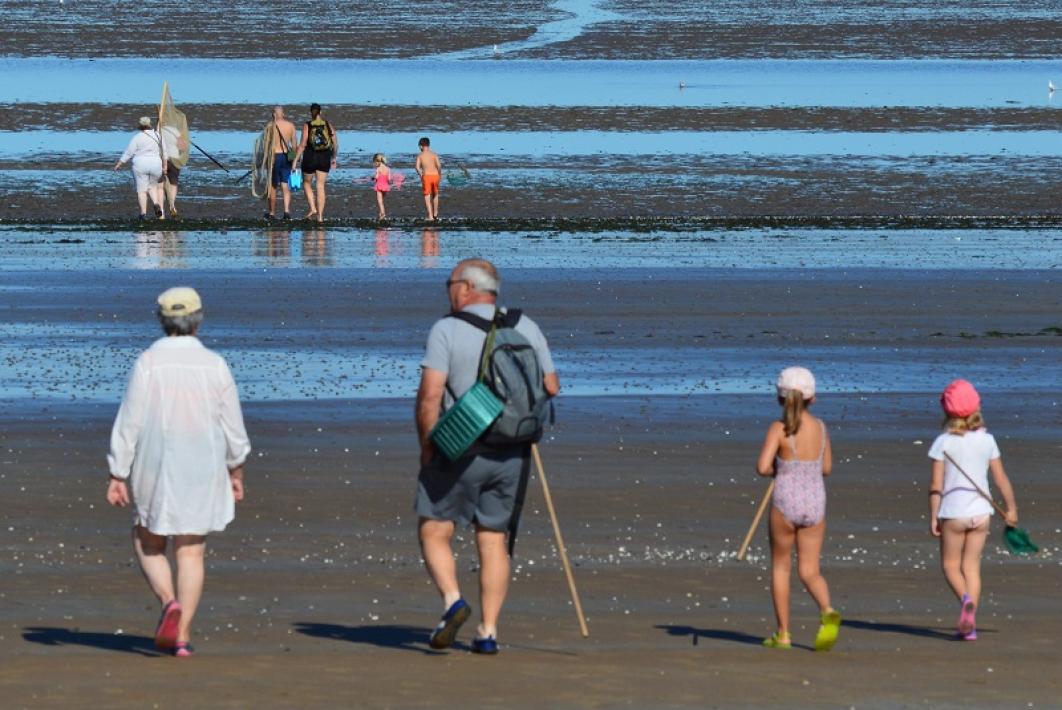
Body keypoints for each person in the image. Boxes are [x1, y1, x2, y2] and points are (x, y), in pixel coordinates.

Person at [414, 259, 559, 654]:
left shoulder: (447, 329)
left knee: (435, 529)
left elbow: (430, 395)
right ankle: (488, 632)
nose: (448, 291)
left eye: (449, 284)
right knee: (494, 540)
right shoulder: (524, 324)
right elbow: (551, 385)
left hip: (460, 444)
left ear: (465, 288)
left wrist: (428, 444)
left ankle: (452, 601)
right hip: (514, 448)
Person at [106, 287, 251, 658]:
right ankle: (182, 635)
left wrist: (117, 472)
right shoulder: (215, 365)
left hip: (155, 464)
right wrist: (236, 468)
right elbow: (232, 426)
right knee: (191, 550)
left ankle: (169, 603)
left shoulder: (149, 362)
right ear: (198, 319)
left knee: (148, 541)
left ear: (162, 319)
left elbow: (130, 422)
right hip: (203, 466)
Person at [756, 366, 841, 651]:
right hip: (815, 501)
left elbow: (763, 466)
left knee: (781, 567)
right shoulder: (821, 428)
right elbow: (826, 467)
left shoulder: (778, 429)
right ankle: (827, 609)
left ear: (780, 399)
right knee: (810, 570)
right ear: (812, 398)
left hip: (785, 501)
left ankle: (783, 635)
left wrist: (778, 467)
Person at [928, 379, 1018, 641]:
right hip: (981, 512)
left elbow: (936, 485)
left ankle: (965, 601)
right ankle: (970, 623)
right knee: (972, 567)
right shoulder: (987, 440)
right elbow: (1000, 478)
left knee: (950, 565)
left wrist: (934, 515)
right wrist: (1011, 508)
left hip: (953, 511)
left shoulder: (943, 442)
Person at [114, 116, 166, 220]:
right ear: (149, 124)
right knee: (152, 187)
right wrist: (165, 166)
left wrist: (119, 164)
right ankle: (156, 203)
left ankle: (143, 214)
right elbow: (165, 152)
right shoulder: (158, 135)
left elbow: (129, 152)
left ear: (140, 125)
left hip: (140, 164)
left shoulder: (137, 137)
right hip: (156, 164)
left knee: (142, 190)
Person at [294, 103, 337, 223]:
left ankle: (313, 208)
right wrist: (334, 158)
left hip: (310, 157)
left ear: (310, 112)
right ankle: (320, 217)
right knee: (320, 186)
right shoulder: (327, 124)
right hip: (324, 157)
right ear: (320, 112)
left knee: (307, 183)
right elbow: (335, 143)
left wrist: (295, 161)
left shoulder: (307, 125)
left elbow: (302, 144)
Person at [267, 106, 297, 220]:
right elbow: (294, 145)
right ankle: (286, 211)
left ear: (273, 115)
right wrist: (293, 160)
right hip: (286, 156)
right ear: (283, 114)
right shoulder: (291, 126)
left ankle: (272, 213)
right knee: (285, 185)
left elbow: (266, 145)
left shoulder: (270, 126)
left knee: (273, 186)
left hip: (275, 156)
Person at [160, 123, 185, 219]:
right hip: (174, 159)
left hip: (161, 159)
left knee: (161, 185)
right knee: (173, 183)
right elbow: (182, 146)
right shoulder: (174, 130)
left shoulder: (157, 131)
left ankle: (163, 210)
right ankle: (172, 205)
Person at [415, 136, 441, 221]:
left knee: (427, 195)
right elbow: (439, 166)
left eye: (419, 146)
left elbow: (417, 167)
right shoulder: (434, 154)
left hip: (427, 176)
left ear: (421, 146)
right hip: (436, 176)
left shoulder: (420, 155)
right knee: (435, 194)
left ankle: (430, 216)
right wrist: (440, 174)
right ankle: (435, 213)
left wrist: (420, 174)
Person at [372, 153, 391, 220]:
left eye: (375, 163)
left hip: (379, 187)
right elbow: (389, 179)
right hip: (385, 186)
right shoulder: (388, 169)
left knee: (380, 202)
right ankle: (380, 214)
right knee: (382, 201)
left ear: (377, 161)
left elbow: (376, 177)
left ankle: (383, 215)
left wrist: (373, 178)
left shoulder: (378, 169)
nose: (375, 164)